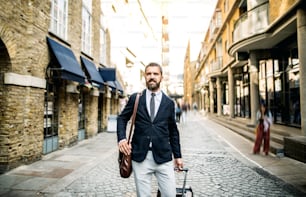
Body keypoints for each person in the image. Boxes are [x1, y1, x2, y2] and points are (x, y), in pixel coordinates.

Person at [117, 62, 183, 196]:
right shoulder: (136, 98)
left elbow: (173, 131)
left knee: (170, 194)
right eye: (149, 74)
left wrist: (178, 156)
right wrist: (122, 139)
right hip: (140, 157)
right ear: (145, 76)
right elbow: (122, 118)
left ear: (161, 77)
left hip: (164, 157)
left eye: (155, 74)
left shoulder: (169, 103)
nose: (152, 77)